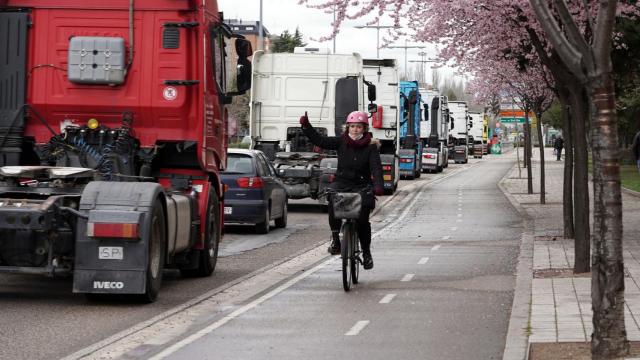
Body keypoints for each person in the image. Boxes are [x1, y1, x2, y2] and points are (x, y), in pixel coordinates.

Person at [299, 110, 384, 270]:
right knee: (332, 198)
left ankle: (366, 253)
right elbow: (320, 140)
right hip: (342, 182)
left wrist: (378, 185)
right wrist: (306, 126)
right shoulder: (341, 141)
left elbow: (376, 168)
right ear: (347, 127)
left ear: (364, 128)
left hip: (362, 185)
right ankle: (335, 239)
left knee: (363, 221)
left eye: (359, 127)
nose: (355, 130)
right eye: (352, 126)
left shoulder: (371, 147)